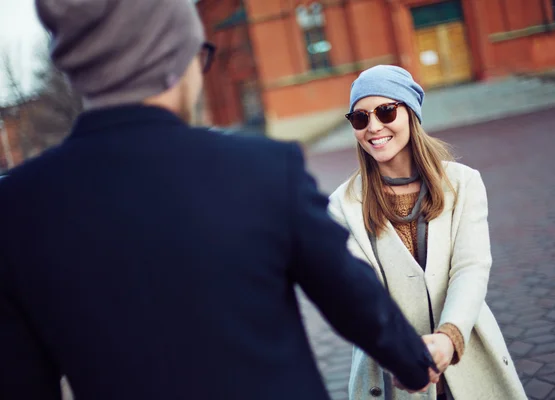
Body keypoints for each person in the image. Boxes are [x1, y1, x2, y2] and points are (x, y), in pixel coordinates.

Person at [0, 2, 439, 400]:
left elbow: (19, 377)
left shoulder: (17, 206)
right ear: (173, 62)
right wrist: (413, 362)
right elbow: (348, 292)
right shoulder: (261, 169)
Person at [328, 65, 528, 400]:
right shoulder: (342, 205)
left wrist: (449, 338)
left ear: (410, 113)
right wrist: (404, 355)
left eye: (386, 111)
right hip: (391, 372)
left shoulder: (463, 183)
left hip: (467, 351)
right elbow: (359, 296)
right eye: (360, 118)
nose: (373, 127)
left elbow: (471, 267)